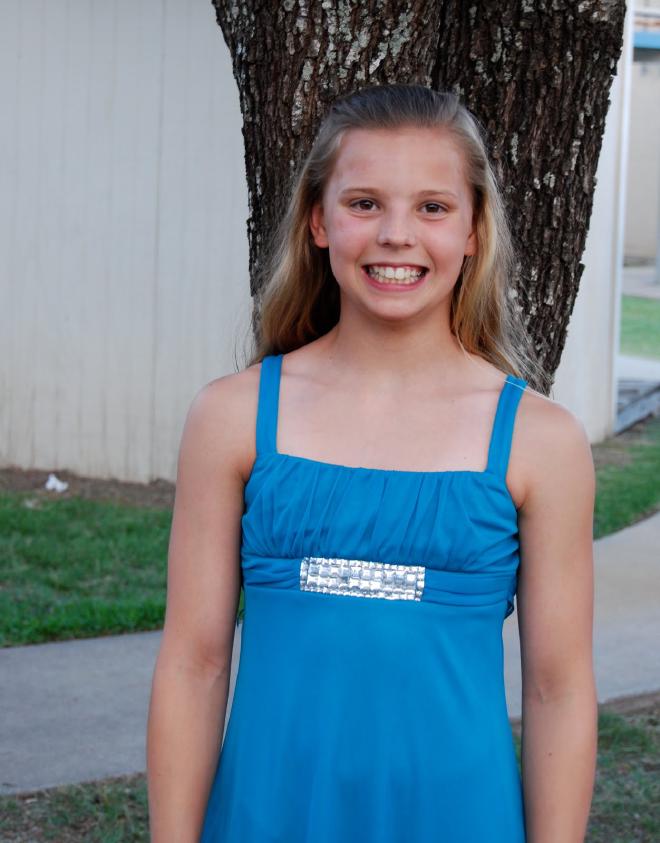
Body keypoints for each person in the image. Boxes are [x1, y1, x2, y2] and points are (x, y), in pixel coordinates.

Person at [146, 83, 597, 842]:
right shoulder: (232, 416)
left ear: (474, 230)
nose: (396, 234)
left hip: (460, 819)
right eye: (364, 203)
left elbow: (558, 690)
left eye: (432, 207)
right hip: (267, 816)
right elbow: (193, 663)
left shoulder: (540, 440)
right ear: (319, 221)